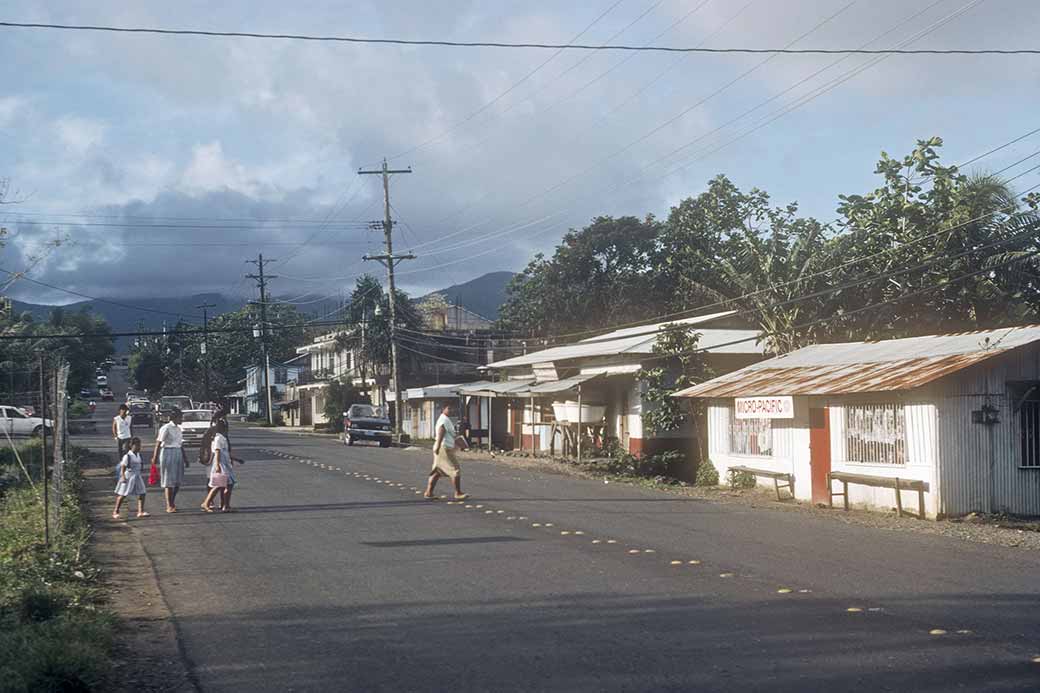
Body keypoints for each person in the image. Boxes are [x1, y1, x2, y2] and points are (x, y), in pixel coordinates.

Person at [424, 402, 469, 500]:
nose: (451, 410)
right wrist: (438, 445)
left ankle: (429, 492)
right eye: (449, 408)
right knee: (455, 469)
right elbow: (441, 432)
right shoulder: (444, 420)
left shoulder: (446, 419)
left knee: (437, 471)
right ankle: (458, 493)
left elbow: (452, 435)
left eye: (452, 408)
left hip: (442, 447)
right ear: (443, 409)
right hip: (443, 448)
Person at [152, 408, 188, 513]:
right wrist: (154, 457)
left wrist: (185, 458)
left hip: (178, 453)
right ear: (175, 418)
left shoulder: (178, 429)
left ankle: (172, 502)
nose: (182, 419)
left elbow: (180, 444)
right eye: (180, 417)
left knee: (177, 481)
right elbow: (158, 443)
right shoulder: (166, 428)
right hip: (167, 452)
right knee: (168, 480)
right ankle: (169, 505)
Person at [200, 419, 237, 513]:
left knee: (229, 484)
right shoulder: (218, 438)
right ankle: (206, 503)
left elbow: (226, 452)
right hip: (221, 464)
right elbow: (217, 451)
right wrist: (217, 465)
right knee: (218, 485)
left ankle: (226, 505)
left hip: (226, 464)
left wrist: (234, 459)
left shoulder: (223, 438)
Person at [113, 437, 148, 520]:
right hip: (129, 476)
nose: (139, 447)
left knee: (142, 492)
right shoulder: (127, 456)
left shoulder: (138, 455)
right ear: (131, 445)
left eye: (140, 445)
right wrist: (123, 477)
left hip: (137, 475)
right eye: (137, 445)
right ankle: (116, 511)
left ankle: (140, 511)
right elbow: (123, 468)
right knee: (123, 494)